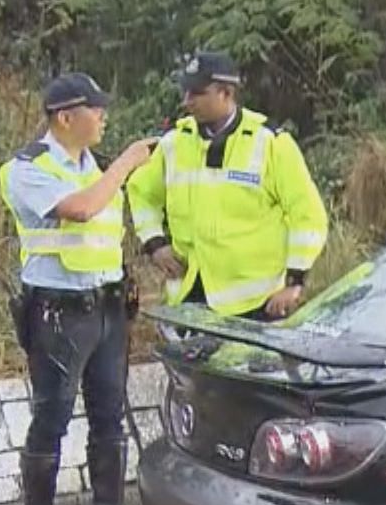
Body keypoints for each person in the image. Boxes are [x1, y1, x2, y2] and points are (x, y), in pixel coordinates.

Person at [0, 73, 159, 505]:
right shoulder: (28, 169)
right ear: (66, 117)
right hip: (58, 314)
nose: (104, 117)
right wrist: (129, 162)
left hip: (108, 308)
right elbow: (83, 210)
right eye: (97, 109)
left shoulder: (97, 166)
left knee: (110, 416)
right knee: (53, 416)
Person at [127, 52, 329, 320]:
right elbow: (141, 193)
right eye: (186, 92)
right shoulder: (173, 142)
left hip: (258, 304)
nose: (187, 101)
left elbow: (308, 216)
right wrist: (154, 242)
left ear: (226, 93)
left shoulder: (270, 143)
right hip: (190, 297)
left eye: (197, 93)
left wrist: (295, 281)